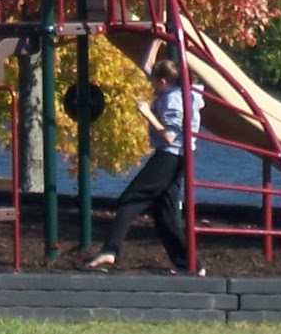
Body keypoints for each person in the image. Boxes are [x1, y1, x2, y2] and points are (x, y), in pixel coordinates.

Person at [81, 55, 205, 274]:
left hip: (170, 156)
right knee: (164, 213)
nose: (151, 85)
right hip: (183, 158)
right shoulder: (183, 90)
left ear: (164, 82)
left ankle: (111, 250)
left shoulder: (171, 101)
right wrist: (155, 41)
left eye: (154, 82)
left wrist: (148, 114)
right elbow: (147, 66)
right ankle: (193, 266)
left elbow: (170, 136)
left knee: (130, 199)